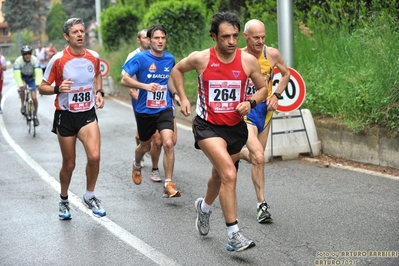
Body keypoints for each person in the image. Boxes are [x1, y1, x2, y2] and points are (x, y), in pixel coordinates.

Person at [170, 11, 273, 252]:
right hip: (207, 127)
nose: (231, 41)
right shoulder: (201, 59)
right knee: (229, 174)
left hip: (235, 127)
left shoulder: (247, 61)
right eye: (226, 36)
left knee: (218, 176)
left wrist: (251, 102)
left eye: (235, 36)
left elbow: (262, 89)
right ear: (214, 36)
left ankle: (204, 208)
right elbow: (176, 71)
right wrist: (182, 98)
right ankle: (233, 234)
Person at [38, 18, 106, 220]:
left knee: (94, 156)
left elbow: (97, 74)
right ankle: (64, 199)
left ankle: (89, 195)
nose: (80, 35)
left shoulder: (93, 56)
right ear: (66, 37)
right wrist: (58, 88)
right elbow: (42, 87)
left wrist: (99, 91)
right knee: (69, 164)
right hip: (65, 116)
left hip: (87, 114)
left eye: (82, 31)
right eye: (75, 32)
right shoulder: (58, 60)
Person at [238, 19, 290, 223]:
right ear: (246, 37)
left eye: (263, 37)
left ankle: (236, 153)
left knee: (257, 158)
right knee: (259, 157)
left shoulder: (272, 55)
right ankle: (262, 205)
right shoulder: (238, 57)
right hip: (246, 112)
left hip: (265, 114)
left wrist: (276, 95)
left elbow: (286, 74)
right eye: (256, 38)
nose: (260, 41)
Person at [121, 24, 181, 197]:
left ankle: (168, 184)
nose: (160, 41)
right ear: (149, 40)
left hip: (164, 107)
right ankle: (137, 164)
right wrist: (144, 86)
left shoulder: (170, 58)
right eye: (156, 38)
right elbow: (124, 80)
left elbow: (169, 79)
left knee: (168, 143)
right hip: (145, 110)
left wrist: (175, 94)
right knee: (145, 146)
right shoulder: (140, 58)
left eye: (163, 37)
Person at [13, 45, 42, 126]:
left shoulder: (34, 60)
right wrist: (20, 85)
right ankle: (22, 105)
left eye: (29, 53)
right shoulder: (18, 61)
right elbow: (17, 74)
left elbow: (38, 72)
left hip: (32, 78)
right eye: (25, 54)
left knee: (34, 98)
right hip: (23, 78)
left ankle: (35, 116)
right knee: (23, 89)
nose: (27, 55)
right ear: (22, 55)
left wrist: (38, 84)